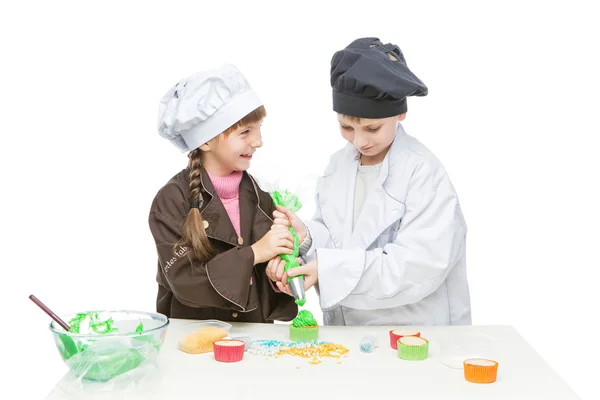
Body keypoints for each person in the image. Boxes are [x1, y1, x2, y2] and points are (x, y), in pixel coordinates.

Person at [270, 38, 472, 326]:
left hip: (415, 336)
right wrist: (306, 238)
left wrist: (329, 272)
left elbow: (418, 267)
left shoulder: (423, 174)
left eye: (372, 128)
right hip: (349, 335)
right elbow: (341, 242)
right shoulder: (338, 166)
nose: (359, 140)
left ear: (400, 113)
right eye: (346, 126)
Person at [149, 64, 298, 322]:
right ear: (205, 141)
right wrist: (254, 253)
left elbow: (265, 281)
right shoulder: (172, 201)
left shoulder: (261, 194)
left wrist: (278, 274)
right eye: (245, 132)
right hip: (194, 343)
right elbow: (185, 281)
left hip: (254, 341)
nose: (258, 141)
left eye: (259, 128)